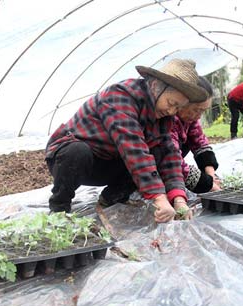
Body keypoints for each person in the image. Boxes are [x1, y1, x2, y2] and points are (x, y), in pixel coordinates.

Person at [45, 59, 210, 223]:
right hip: (75, 160)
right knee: (78, 151)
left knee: (159, 152)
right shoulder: (120, 96)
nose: (172, 111)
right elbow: (134, 149)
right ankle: (59, 208)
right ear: (155, 86)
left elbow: (170, 155)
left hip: (110, 160)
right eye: (171, 103)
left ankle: (112, 199)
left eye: (178, 108)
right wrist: (159, 197)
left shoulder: (163, 115)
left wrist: (178, 198)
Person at [171, 76, 220, 194]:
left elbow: (200, 143)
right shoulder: (166, 121)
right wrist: (206, 184)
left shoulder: (190, 119)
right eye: (197, 110)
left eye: (203, 111)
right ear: (181, 102)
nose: (199, 116)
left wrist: (211, 174)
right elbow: (172, 160)